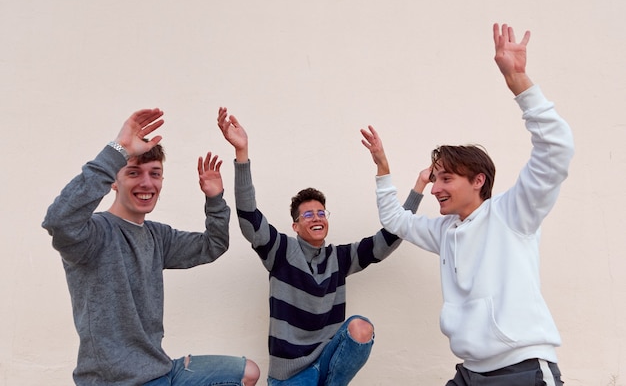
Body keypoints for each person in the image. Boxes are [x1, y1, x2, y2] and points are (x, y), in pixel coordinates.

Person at [360, 23, 574, 385]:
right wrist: (383, 168)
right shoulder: (445, 231)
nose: (436, 189)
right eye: (434, 179)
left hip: (521, 370)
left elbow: (556, 150)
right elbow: (396, 220)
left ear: (478, 181)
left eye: (446, 179)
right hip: (471, 372)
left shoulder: (511, 213)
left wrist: (518, 81)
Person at [42, 108, 260, 386]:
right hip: (116, 380)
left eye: (154, 174)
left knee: (248, 372)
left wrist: (215, 198)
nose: (147, 183)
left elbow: (213, 244)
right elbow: (59, 221)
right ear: (113, 181)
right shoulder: (92, 234)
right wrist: (117, 150)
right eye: (134, 173)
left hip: (160, 368)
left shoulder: (158, 236)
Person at [217, 108, 424, 385]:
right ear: (296, 225)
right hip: (290, 376)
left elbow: (387, 240)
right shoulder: (280, 251)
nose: (316, 218)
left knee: (360, 328)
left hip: (326, 367)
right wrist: (242, 154)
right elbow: (248, 217)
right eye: (308, 214)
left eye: (321, 213)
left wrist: (417, 186)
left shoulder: (340, 258)